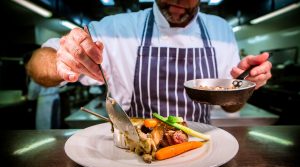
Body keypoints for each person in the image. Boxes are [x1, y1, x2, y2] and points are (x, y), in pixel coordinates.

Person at [26, 0, 272, 124]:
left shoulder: (221, 30)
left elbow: (230, 107)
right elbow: (37, 65)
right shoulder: (117, 28)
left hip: (203, 150)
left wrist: (242, 87)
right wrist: (61, 59)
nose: (178, 3)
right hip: (132, 154)